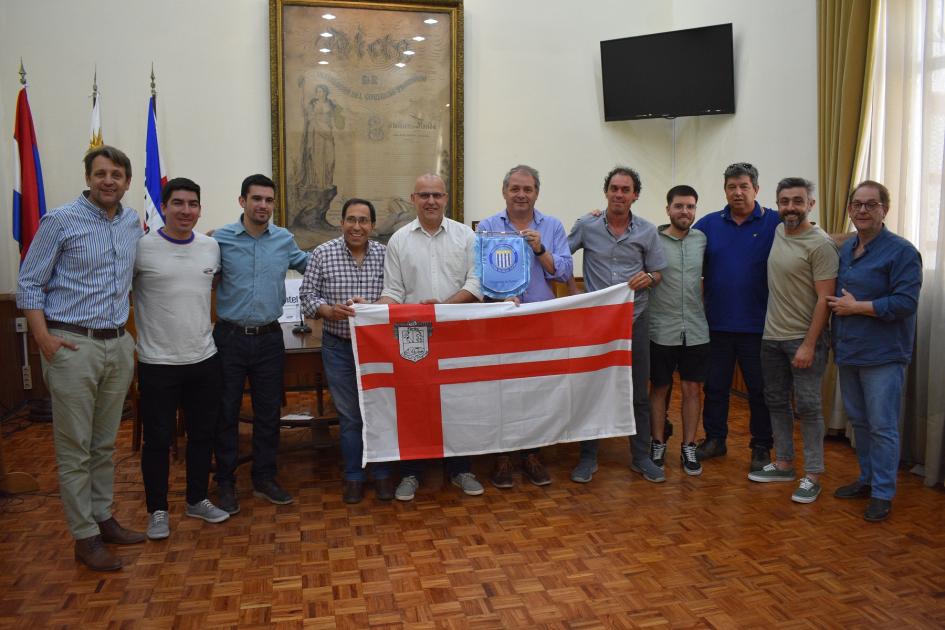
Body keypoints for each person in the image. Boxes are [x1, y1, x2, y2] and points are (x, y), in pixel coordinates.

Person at [16, 145, 144, 571]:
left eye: (118, 175)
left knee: (104, 444)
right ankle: (83, 536)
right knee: (74, 448)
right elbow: (30, 284)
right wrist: (43, 341)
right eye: (101, 173)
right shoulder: (60, 221)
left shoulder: (131, 222)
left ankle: (103, 517)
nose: (109, 181)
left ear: (127, 181)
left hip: (116, 344)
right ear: (89, 177)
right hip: (72, 345)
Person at [378, 173, 484, 501]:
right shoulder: (398, 240)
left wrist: (442, 309)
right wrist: (372, 311)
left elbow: (476, 283)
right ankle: (411, 472)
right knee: (416, 403)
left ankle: (460, 469)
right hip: (414, 336)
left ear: (446, 198)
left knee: (457, 403)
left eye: (436, 195)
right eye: (424, 195)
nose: (431, 201)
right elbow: (393, 291)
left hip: (457, 332)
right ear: (413, 199)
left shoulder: (466, 236)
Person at [133, 178, 230, 539]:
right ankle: (157, 510)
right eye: (178, 203)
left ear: (200, 209)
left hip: (204, 358)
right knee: (158, 440)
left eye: (193, 204)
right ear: (165, 206)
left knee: (202, 435)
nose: (186, 211)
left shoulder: (211, 247)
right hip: (157, 361)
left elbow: (215, 285)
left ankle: (197, 499)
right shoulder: (141, 248)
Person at [212, 174, 310, 513]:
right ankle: (225, 481)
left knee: (269, 413)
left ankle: (265, 477)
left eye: (269, 200)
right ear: (242, 201)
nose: (263, 206)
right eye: (256, 199)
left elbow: (313, 266)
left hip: (269, 338)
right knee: (225, 413)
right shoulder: (220, 239)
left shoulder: (283, 239)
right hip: (229, 338)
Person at [827, 180, 922, 522]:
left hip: (883, 354)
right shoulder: (845, 247)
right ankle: (866, 479)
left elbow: (906, 303)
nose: (863, 211)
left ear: (885, 209)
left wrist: (859, 307)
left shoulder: (902, 251)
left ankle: (883, 492)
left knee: (882, 426)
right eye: (857, 205)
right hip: (849, 350)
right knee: (861, 423)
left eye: (871, 205)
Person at [568, 166, 667, 484]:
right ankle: (588, 457)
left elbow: (658, 273)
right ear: (606, 191)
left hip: (634, 320)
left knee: (638, 391)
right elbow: (559, 257)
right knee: (592, 388)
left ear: (635, 195)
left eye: (626, 189)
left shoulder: (648, 231)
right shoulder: (587, 225)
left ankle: (640, 457)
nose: (619, 194)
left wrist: (649, 277)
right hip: (595, 323)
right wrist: (573, 292)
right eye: (614, 188)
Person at [476, 164, 573, 488]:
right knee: (501, 390)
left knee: (535, 391)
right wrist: (500, 298)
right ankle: (502, 457)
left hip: (538, 322)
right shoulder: (488, 227)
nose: (521, 195)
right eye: (515, 189)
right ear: (504, 192)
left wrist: (540, 248)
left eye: (527, 189)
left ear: (536, 193)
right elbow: (480, 275)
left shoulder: (553, 226)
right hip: (501, 321)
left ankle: (531, 454)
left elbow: (562, 273)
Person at [748, 178, 838, 504]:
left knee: (810, 408)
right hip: (771, 337)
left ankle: (812, 474)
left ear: (811, 205)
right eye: (784, 201)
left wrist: (809, 344)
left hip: (804, 339)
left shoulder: (821, 245)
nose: (790, 207)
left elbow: (825, 300)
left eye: (797, 201)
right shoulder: (777, 231)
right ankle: (784, 462)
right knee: (776, 402)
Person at [299, 197, 390, 504]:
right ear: (342, 223)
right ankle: (353, 475)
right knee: (350, 416)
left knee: (378, 412)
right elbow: (307, 297)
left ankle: (381, 474)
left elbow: (396, 296)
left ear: (373, 226)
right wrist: (327, 310)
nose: (357, 226)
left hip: (378, 350)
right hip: (338, 347)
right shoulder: (322, 254)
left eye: (363, 220)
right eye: (351, 219)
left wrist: (376, 307)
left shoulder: (385, 255)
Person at [694, 162, 780, 472]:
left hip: (760, 326)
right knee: (715, 387)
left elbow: (810, 239)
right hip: (716, 325)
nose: (738, 192)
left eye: (744, 186)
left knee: (759, 391)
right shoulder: (708, 225)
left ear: (756, 189)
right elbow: (678, 245)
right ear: (725, 190)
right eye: (732, 187)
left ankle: (761, 446)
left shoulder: (776, 222)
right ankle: (715, 440)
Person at [647, 185, 708, 477]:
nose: (686, 212)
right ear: (668, 208)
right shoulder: (653, 239)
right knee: (660, 387)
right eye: (680, 206)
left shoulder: (702, 240)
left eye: (691, 207)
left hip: (696, 328)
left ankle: (689, 446)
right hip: (661, 327)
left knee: (693, 389)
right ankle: (657, 443)